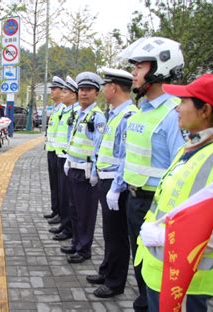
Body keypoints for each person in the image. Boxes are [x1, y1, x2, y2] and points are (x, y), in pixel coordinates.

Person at [136, 73, 213, 311]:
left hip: (186, 282)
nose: (177, 109)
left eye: (183, 102)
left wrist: (166, 238)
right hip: (162, 272)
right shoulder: (192, 147)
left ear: (205, 110)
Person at [117, 36, 186, 311]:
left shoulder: (174, 113)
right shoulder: (141, 110)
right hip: (134, 200)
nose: (133, 73)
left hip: (157, 208)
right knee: (141, 266)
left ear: (160, 69)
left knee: (158, 274)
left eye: (139, 66)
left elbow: (182, 170)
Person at [86, 68, 139, 298]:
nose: (103, 89)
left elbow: (126, 156)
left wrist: (116, 187)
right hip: (106, 180)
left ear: (114, 87)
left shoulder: (128, 116)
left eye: (105, 85)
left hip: (117, 184)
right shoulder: (115, 114)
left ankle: (115, 282)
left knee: (117, 235)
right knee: (109, 232)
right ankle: (107, 270)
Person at [61, 72, 106, 263]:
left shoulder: (97, 117)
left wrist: (95, 172)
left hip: (87, 173)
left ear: (96, 93)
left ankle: (84, 248)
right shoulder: (79, 114)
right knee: (74, 210)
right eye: (81, 90)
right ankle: (76, 243)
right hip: (73, 168)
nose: (83, 94)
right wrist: (67, 160)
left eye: (88, 90)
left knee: (85, 213)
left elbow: (99, 146)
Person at [48, 76, 78, 237]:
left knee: (66, 193)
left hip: (66, 156)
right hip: (56, 152)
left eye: (56, 89)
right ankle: (60, 216)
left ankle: (66, 223)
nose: (52, 92)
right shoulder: (60, 109)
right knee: (58, 187)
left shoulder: (73, 111)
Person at [43, 76, 66, 222]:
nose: (51, 91)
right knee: (54, 183)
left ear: (62, 91)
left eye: (54, 89)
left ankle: (60, 213)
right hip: (52, 151)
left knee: (60, 185)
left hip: (59, 153)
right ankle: (55, 209)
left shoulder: (64, 109)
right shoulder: (56, 109)